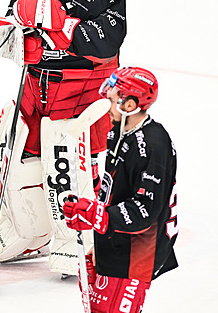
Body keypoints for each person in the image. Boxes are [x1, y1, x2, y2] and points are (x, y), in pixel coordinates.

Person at [0, 0, 126, 261]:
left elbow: (107, 43)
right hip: (36, 84)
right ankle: (29, 231)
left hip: (81, 90)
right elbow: (8, 22)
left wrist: (63, 28)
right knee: (11, 154)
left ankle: (77, 240)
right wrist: (22, 34)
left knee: (69, 163)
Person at [63, 67, 178, 313]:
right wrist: (100, 232)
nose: (107, 104)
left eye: (113, 100)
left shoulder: (154, 145)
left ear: (130, 105)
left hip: (137, 254)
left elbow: (145, 209)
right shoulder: (119, 130)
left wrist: (101, 218)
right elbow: (112, 187)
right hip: (116, 241)